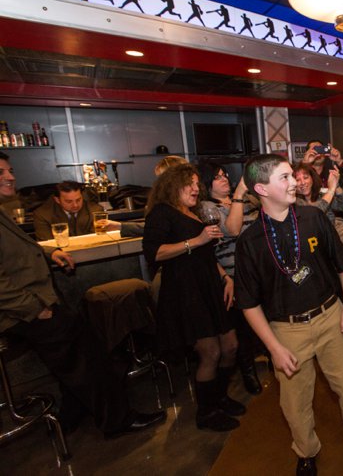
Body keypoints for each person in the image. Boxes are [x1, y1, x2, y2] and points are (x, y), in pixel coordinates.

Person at [0, 152, 166, 437]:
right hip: (24, 310)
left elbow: (22, 249)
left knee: (74, 357)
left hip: (35, 303)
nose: (11, 176)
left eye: (10, 170)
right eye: (2, 172)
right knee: (89, 356)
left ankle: (71, 415)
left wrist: (52, 253)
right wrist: (35, 307)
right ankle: (117, 420)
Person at [234, 154, 343, 476]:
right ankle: (306, 451)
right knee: (295, 404)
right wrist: (273, 347)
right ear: (261, 188)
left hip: (331, 316)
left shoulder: (313, 218)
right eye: (284, 178)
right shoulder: (250, 242)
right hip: (287, 331)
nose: (294, 182)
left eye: (292, 176)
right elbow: (248, 303)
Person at [143, 163, 243, 432]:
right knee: (210, 351)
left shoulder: (196, 212)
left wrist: (225, 277)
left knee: (231, 345)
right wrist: (195, 242)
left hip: (210, 284)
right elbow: (154, 253)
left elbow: (206, 255)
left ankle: (219, 397)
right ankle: (206, 412)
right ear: (173, 185)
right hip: (185, 290)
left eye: (197, 183)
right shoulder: (161, 213)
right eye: (190, 183)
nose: (196, 188)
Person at [197, 162, 264, 395]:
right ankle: (248, 372)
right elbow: (233, 229)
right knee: (243, 326)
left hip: (258, 268)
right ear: (207, 184)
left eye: (225, 175)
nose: (224, 179)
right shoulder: (206, 207)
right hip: (232, 273)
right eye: (217, 177)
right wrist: (238, 195)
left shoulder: (247, 201)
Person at [293, 163, 343, 279]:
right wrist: (331, 190)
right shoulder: (293, 201)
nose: (302, 183)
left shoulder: (321, 194)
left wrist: (337, 185)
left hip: (333, 227)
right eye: (297, 179)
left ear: (312, 178)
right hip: (312, 237)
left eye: (305, 177)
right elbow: (314, 214)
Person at [33, 180, 103, 239]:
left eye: (78, 200)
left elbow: (97, 238)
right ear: (57, 200)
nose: (75, 205)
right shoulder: (42, 215)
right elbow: (47, 244)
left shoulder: (95, 210)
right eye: (69, 201)